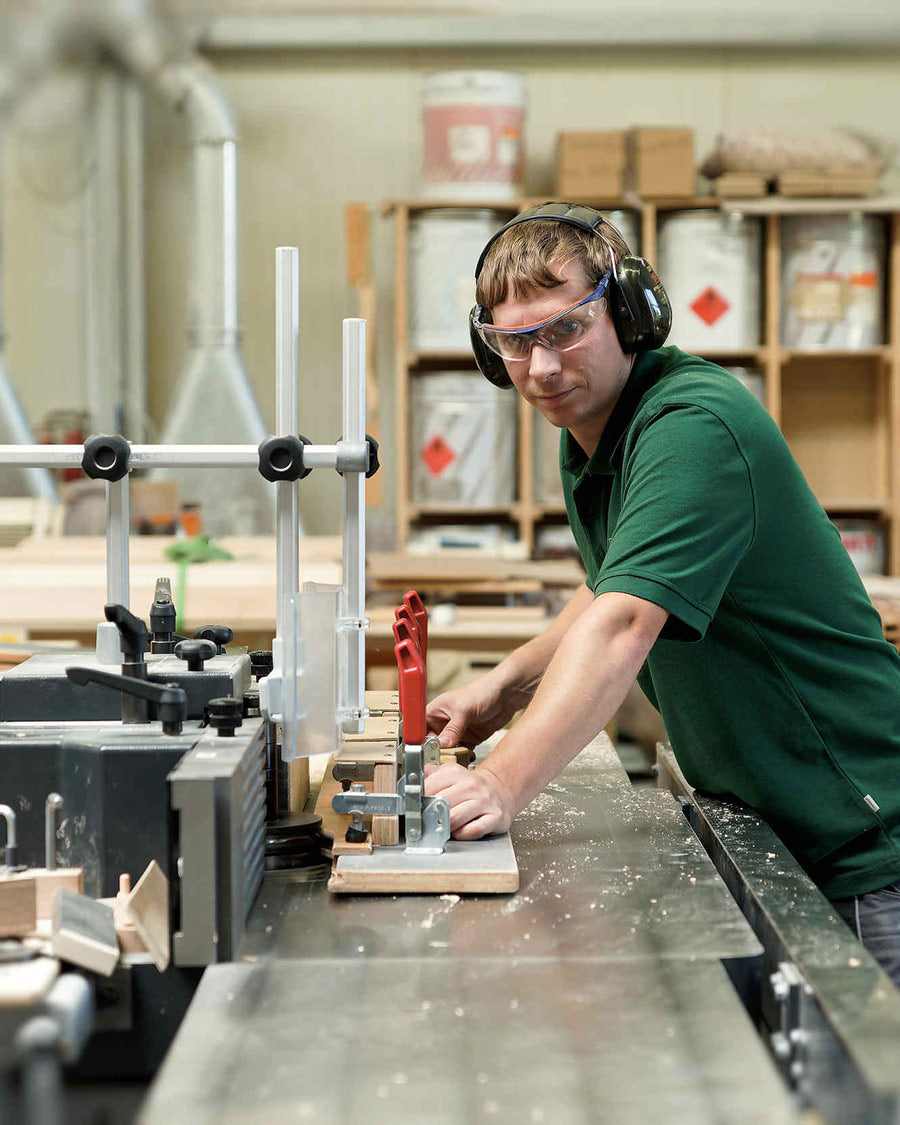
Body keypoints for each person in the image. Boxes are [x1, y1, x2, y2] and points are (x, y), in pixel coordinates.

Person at [423, 201, 900, 986]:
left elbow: (622, 624)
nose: (541, 369)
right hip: (778, 828)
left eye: (564, 329)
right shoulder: (596, 433)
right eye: (514, 342)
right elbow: (613, 583)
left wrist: (501, 781)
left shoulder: (691, 426)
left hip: (862, 840)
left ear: (630, 312)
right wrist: (503, 688)